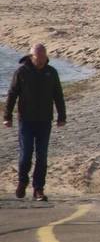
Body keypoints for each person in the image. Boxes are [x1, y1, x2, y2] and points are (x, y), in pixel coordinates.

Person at [4, 43, 67, 201]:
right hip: (26, 120)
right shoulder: (22, 72)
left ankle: (39, 189)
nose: (41, 60)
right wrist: (7, 116)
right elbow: (12, 94)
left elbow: (58, 95)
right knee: (26, 155)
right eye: (38, 58)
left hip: (45, 120)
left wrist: (62, 116)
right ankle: (22, 181)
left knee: (42, 157)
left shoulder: (51, 72)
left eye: (44, 57)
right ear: (31, 57)